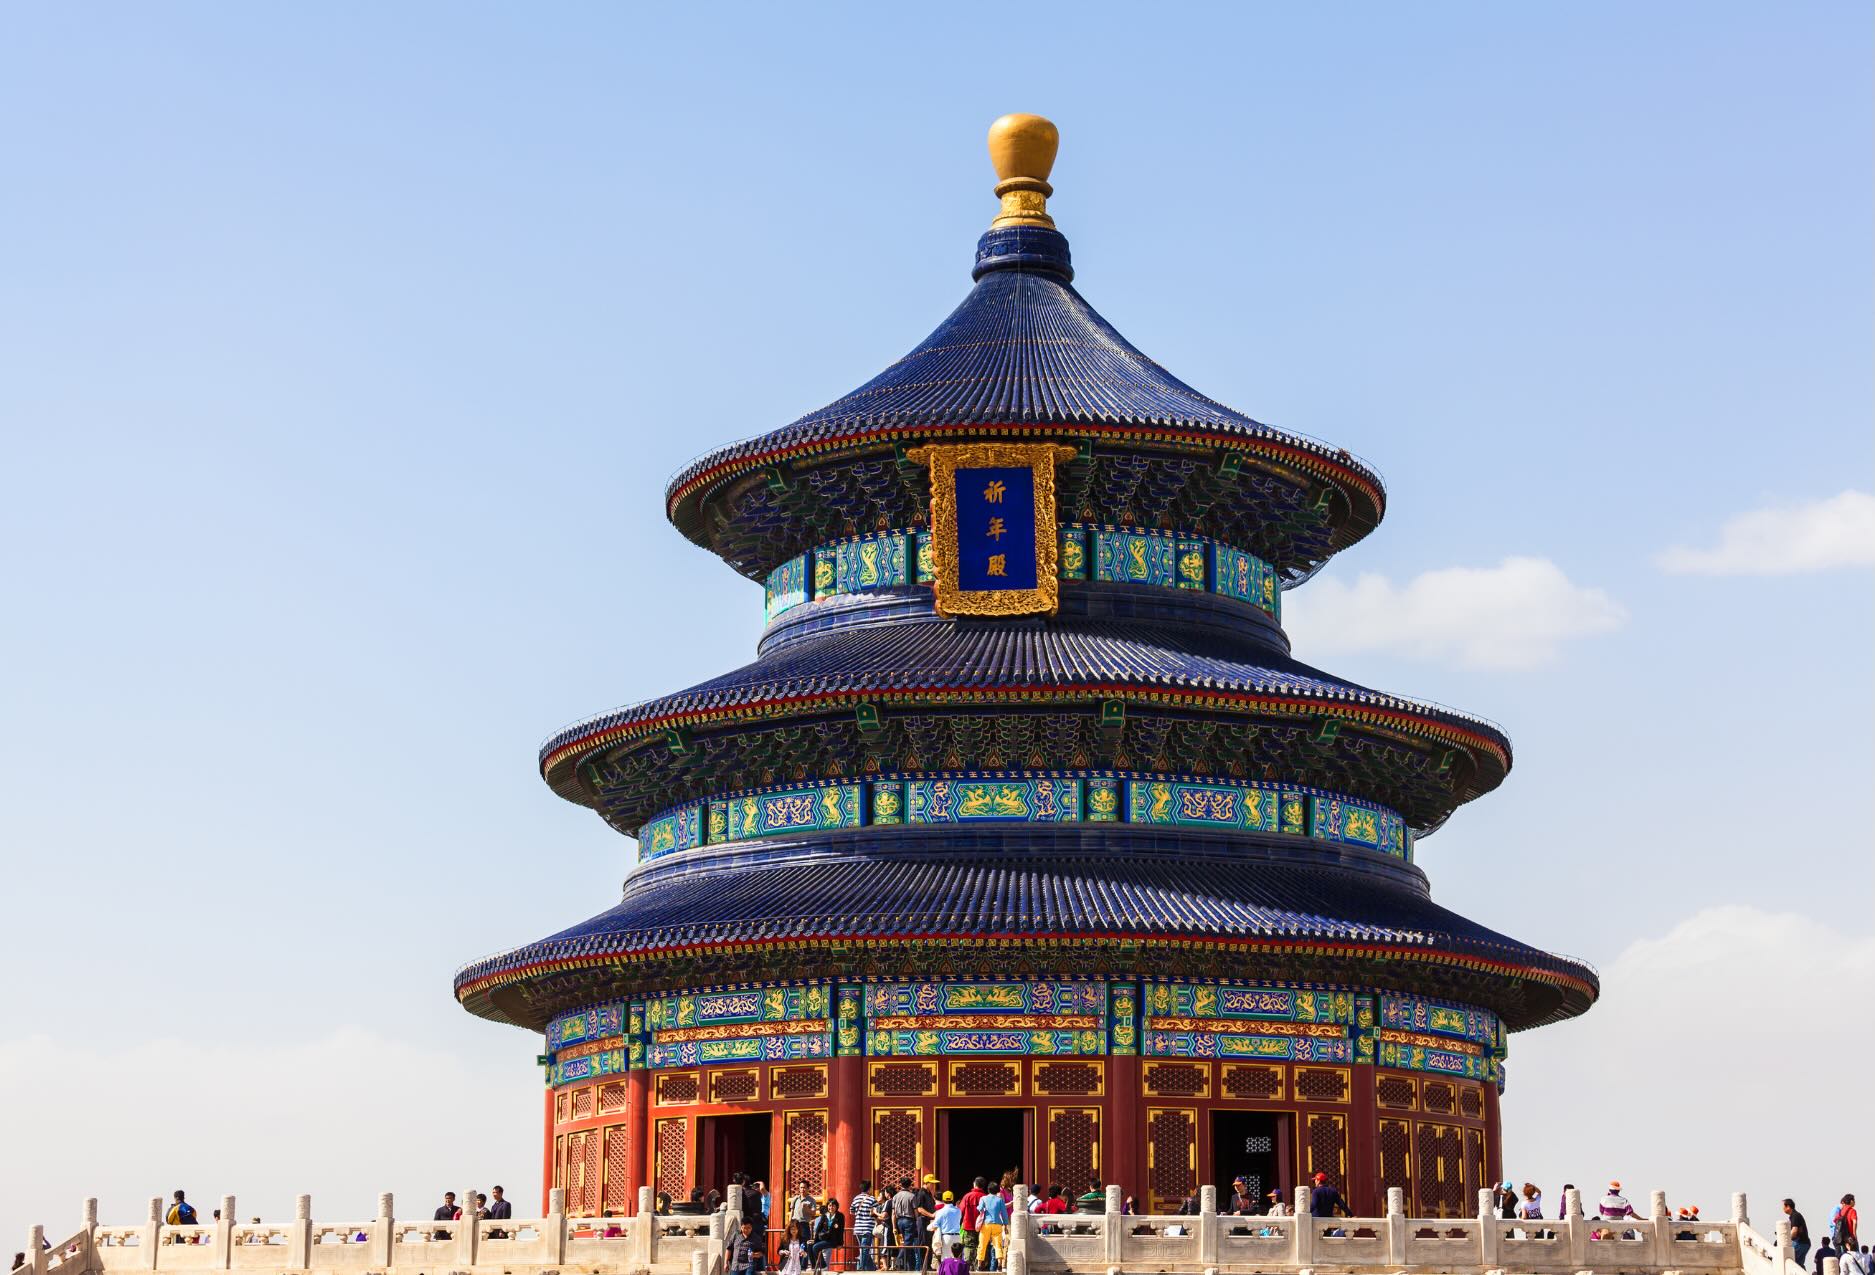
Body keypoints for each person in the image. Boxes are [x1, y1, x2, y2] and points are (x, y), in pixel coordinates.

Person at [976, 1181, 1009, 1272]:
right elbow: (1004, 1213)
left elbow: (979, 1208)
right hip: (997, 1224)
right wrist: (1005, 1225)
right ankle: (999, 1265)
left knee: (982, 1245)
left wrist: (980, 1208)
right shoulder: (1000, 1200)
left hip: (986, 1224)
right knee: (998, 1245)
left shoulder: (983, 1198)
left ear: (988, 1190)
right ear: (997, 1190)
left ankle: (979, 1265)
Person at [890, 1178, 920, 1272]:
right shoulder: (912, 1196)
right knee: (908, 1243)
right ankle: (899, 1260)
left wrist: (894, 1226)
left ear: (901, 1185)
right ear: (910, 1185)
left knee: (908, 1243)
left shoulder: (895, 1197)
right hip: (909, 1220)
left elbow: (893, 1213)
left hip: (899, 1221)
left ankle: (909, 1266)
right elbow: (916, 1212)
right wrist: (917, 1222)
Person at [809, 1198, 845, 1272]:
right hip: (824, 1238)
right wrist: (815, 1240)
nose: (831, 1207)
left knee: (815, 1247)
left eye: (833, 1206)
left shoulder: (840, 1216)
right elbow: (819, 1228)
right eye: (829, 1205)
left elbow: (841, 1230)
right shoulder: (825, 1215)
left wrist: (840, 1243)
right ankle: (814, 1266)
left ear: (836, 1207)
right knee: (810, 1245)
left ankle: (823, 1266)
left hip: (833, 1240)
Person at [958, 1178, 986, 1267]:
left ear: (974, 1184)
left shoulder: (967, 1196)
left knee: (968, 1246)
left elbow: (960, 1211)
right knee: (981, 1246)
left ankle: (968, 1267)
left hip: (968, 1226)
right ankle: (980, 1266)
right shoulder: (985, 1197)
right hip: (982, 1227)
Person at [851, 1179, 877, 1272]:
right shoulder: (872, 1199)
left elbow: (852, 1211)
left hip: (858, 1227)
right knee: (865, 1249)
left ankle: (872, 1268)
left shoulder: (856, 1198)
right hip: (867, 1227)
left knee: (863, 1249)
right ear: (869, 1188)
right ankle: (861, 1268)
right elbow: (876, 1212)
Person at [930, 1193, 962, 1260]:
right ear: (952, 1199)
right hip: (957, 1237)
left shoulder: (940, 1211)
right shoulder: (958, 1211)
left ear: (943, 1200)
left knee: (946, 1259)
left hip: (946, 1237)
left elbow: (935, 1224)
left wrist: (929, 1227)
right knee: (956, 1259)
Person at [1787, 1200, 1813, 1272]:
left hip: (1800, 1242)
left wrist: (1786, 1240)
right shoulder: (1794, 1215)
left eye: (1783, 1206)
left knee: (1792, 1263)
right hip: (1804, 1243)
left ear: (1788, 1207)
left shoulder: (1795, 1215)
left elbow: (1794, 1231)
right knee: (1799, 1264)